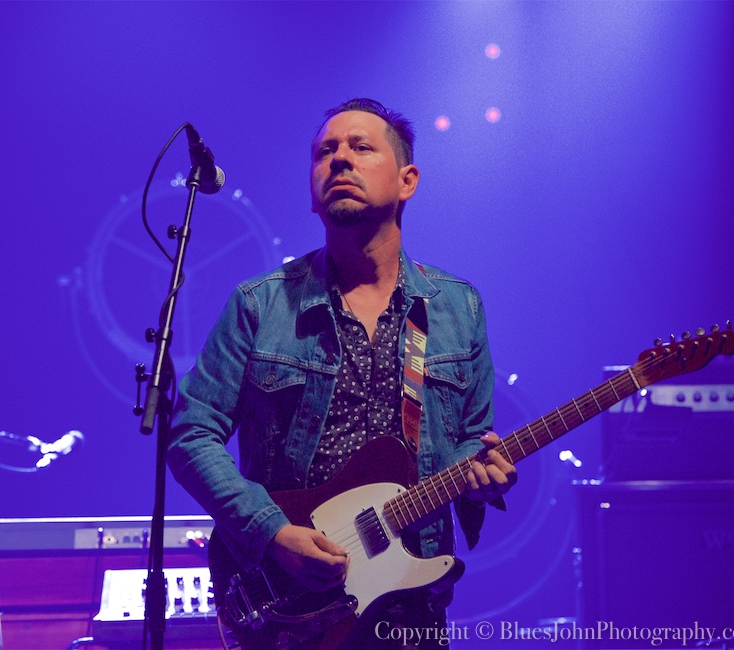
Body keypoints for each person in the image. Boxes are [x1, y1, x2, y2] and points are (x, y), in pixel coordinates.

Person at [167, 98, 517, 648]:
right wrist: (272, 533)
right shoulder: (260, 305)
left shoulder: (458, 308)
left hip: (408, 606)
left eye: (360, 147)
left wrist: (479, 480)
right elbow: (191, 433)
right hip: (287, 603)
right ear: (312, 192)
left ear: (407, 180)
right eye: (325, 152)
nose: (339, 161)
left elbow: (469, 444)